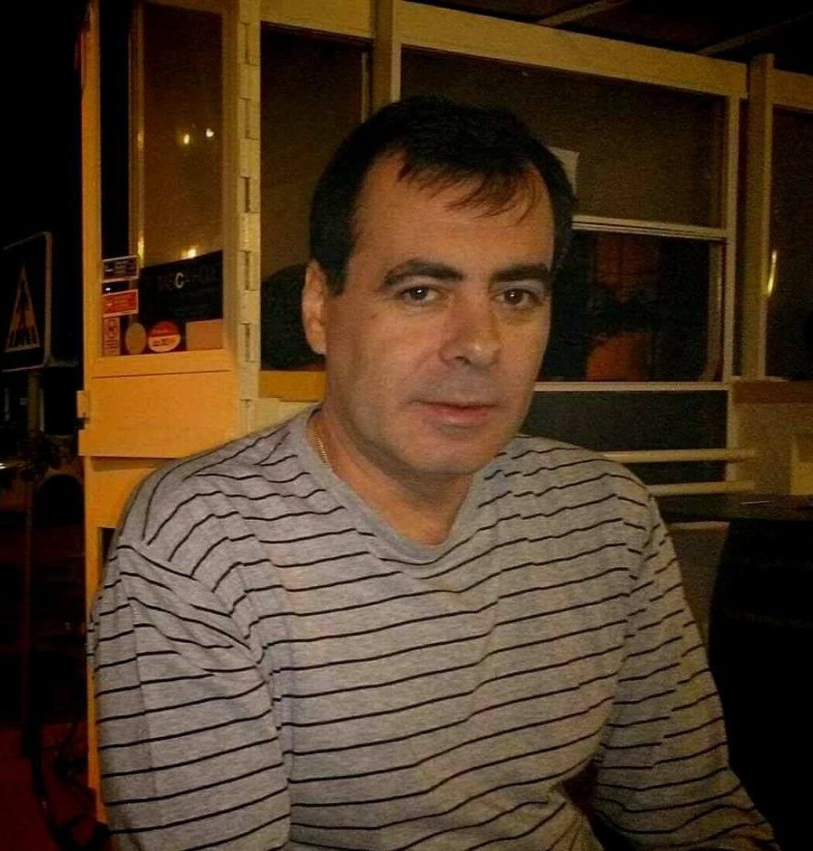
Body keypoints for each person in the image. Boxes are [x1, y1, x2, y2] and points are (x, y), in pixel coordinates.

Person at [90, 96, 778, 850]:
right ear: (320, 307)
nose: (479, 344)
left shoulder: (607, 515)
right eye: (420, 291)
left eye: (515, 295)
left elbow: (690, 808)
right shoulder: (204, 544)